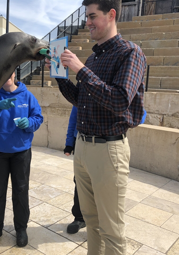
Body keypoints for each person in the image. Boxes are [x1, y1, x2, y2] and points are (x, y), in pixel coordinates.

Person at [46, 0, 146, 254]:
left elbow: (120, 100)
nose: (87, 22)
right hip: (83, 147)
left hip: (108, 151)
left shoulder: (130, 53)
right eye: (86, 16)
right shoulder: (93, 58)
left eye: (92, 16)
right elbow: (82, 100)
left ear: (111, 15)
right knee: (91, 222)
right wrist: (60, 77)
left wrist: (80, 70)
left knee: (111, 230)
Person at [0, 72, 43, 249]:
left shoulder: (27, 96)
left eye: (10, 73)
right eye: (4, 73)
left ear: (15, 74)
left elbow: (38, 118)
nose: (7, 76)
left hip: (21, 153)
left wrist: (29, 123)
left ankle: (21, 229)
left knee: (21, 191)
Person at [64, 106, 86, 234]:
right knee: (79, 181)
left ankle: (101, 221)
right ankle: (79, 217)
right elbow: (73, 120)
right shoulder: (82, 90)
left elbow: (139, 114)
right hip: (81, 142)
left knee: (101, 184)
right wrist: (69, 143)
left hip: (104, 144)